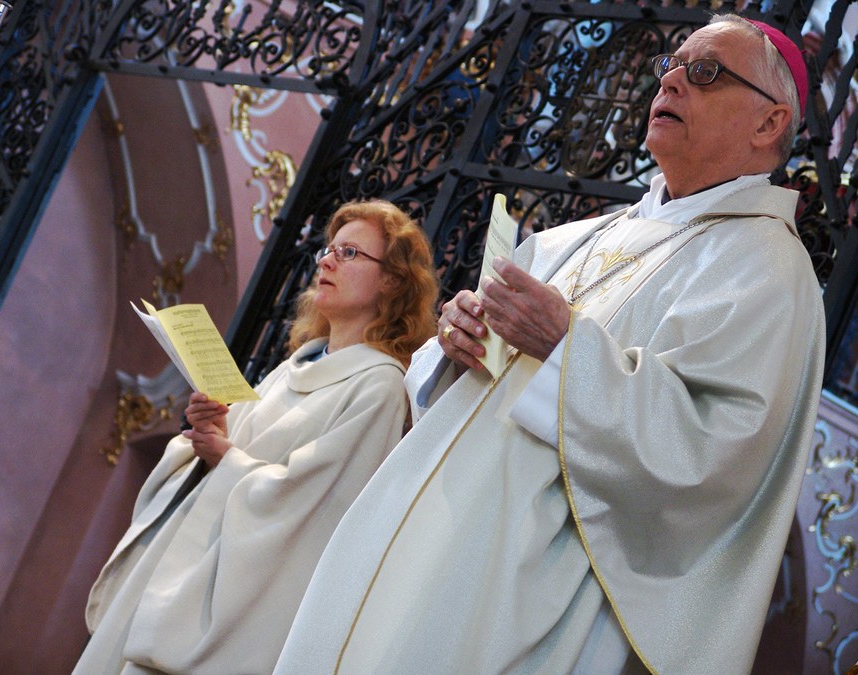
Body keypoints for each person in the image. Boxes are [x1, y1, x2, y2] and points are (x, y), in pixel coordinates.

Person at [274, 15, 825, 675]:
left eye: (704, 71)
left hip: (527, 587)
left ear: (769, 124)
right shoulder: (573, 239)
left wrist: (568, 349)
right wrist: (453, 343)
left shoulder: (767, 269)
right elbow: (455, 392)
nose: (672, 80)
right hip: (431, 540)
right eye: (670, 65)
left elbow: (714, 455)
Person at [74, 200, 438, 674]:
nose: (326, 261)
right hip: (176, 571)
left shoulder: (379, 385)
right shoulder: (294, 366)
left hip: (229, 606)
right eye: (329, 250)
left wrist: (227, 458)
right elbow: (229, 455)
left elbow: (316, 508)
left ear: (392, 280)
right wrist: (204, 436)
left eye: (350, 254)